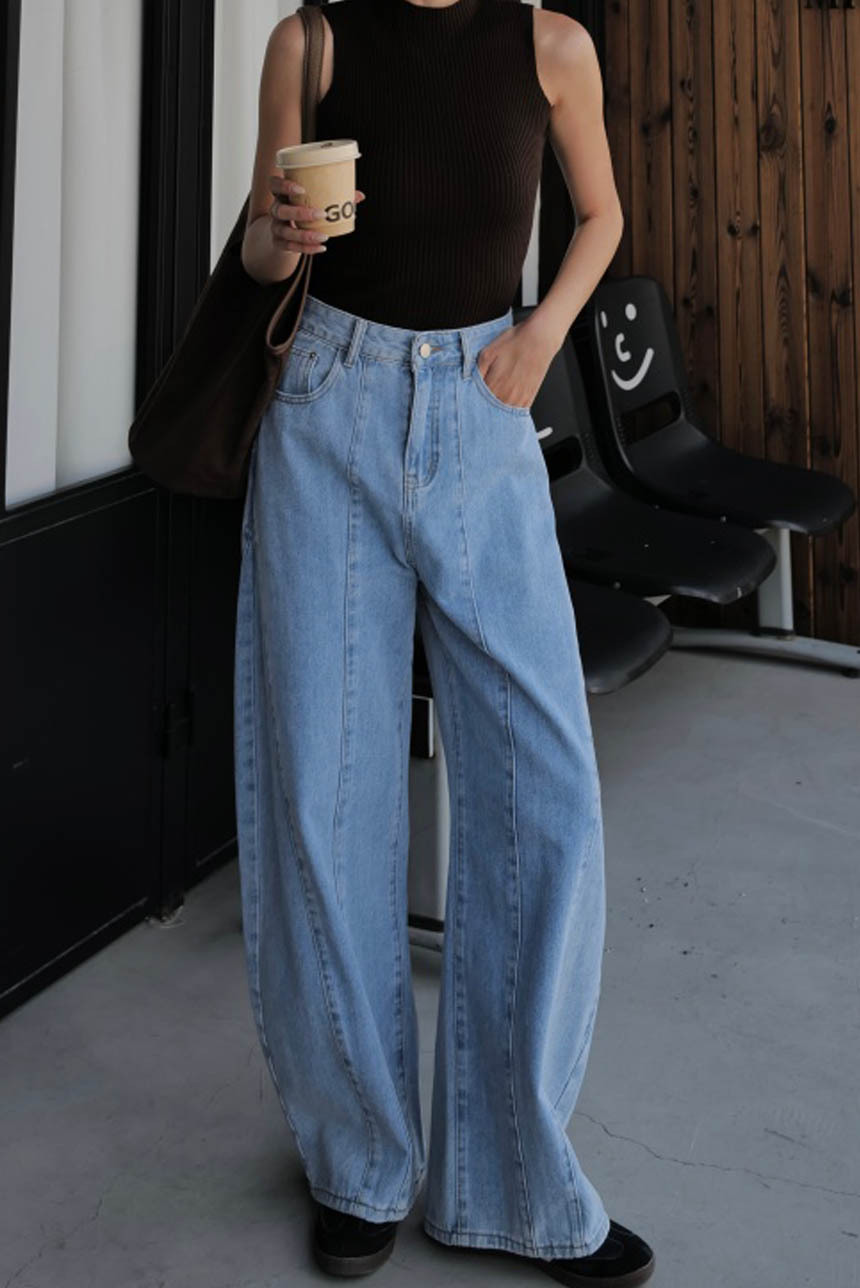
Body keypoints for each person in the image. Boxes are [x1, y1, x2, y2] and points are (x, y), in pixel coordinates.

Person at [235, 1, 655, 1284]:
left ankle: (514, 1176)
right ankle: (358, 1163)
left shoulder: (549, 46)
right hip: (327, 408)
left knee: (545, 789)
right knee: (326, 798)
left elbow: (600, 217)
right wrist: (280, 234)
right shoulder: (310, 41)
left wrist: (541, 333)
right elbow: (257, 249)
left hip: (485, 405)